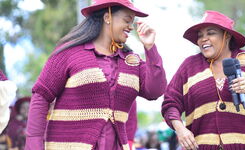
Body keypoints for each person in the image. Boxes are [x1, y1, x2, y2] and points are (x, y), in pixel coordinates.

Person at [25, 0, 167, 149]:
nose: (130, 27)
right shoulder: (69, 54)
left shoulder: (131, 60)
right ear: (108, 17)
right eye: (127, 20)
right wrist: (34, 144)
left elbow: (155, 91)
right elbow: (41, 97)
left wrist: (150, 48)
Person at [161, 10, 245, 150]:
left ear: (227, 35)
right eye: (200, 36)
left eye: (210, 33)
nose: (203, 39)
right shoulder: (189, 66)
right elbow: (170, 103)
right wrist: (180, 129)